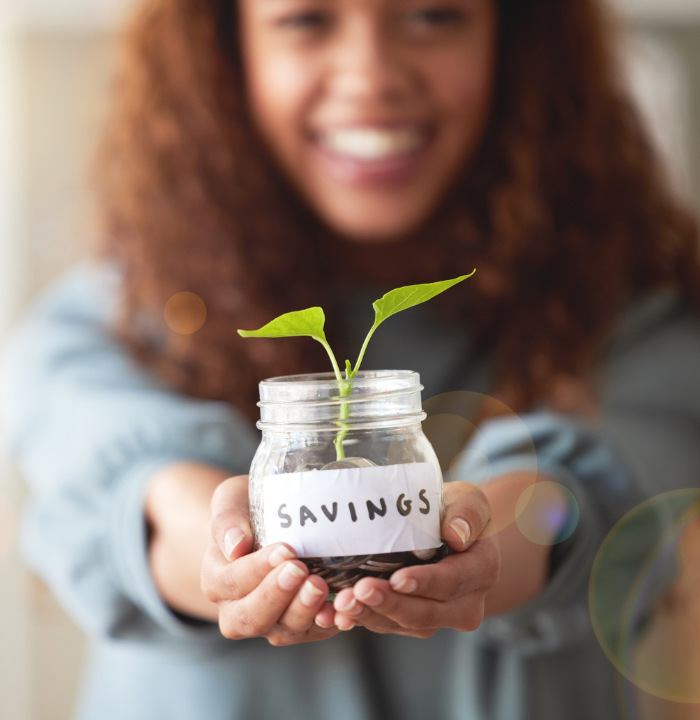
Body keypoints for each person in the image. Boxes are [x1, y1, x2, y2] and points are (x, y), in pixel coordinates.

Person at [2, 0, 700, 718]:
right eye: (306, 19)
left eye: (433, 16)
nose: (372, 77)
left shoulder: (637, 318)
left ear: (518, 38)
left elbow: (607, 494)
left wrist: (481, 544)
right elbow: (123, 489)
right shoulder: (112, 324)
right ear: (225, 48)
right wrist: (221, 551)